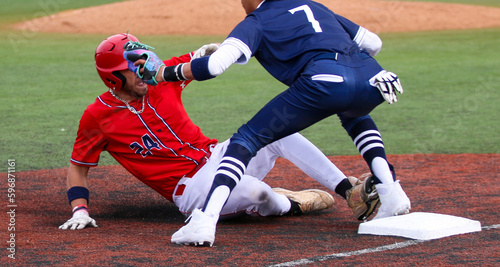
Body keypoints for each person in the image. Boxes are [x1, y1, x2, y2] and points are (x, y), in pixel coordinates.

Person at [125, 0, 411, 247]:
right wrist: (349, 70)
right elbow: (373, 43)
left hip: (323, 82)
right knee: (356, 115)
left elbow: (214, 67)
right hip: (374, 78)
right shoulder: (313, 6)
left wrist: (163, 73)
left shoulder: (256, 21)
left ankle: (203, 222)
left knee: (245, 141)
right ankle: (392, 194)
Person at [58, 33, 366, 235]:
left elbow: (193, 62)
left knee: (279, 130)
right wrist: (80, 210)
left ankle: (348, 190)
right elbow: (77, 168)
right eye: (133, 67)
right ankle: (287, 204)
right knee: (255, 192)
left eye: (143, 61)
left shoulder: (160, 77)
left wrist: (209, 53)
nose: (144, 69)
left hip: (220, 155)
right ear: (113, 78)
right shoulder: (97, 117)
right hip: (190, 188)